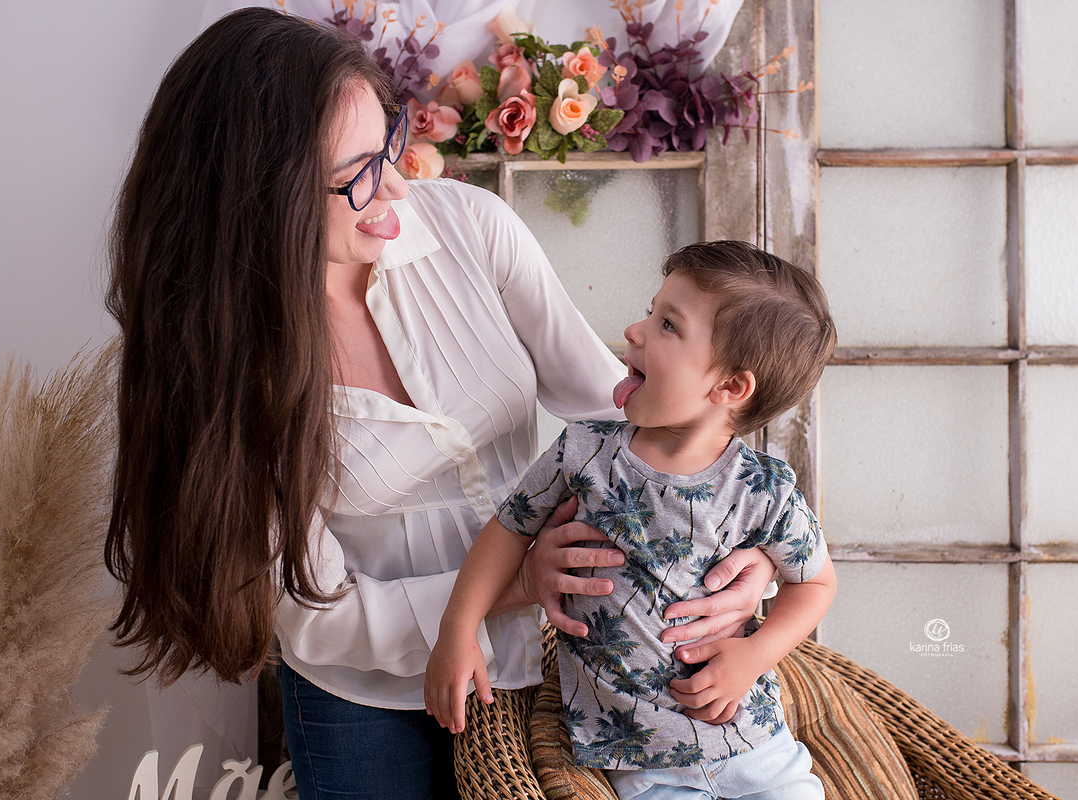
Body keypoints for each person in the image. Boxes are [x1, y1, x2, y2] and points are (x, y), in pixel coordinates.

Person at [104, 9, 774, 800]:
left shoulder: (471, 230)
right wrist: (515, 580)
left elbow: (636, 411)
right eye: (355, 172)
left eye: (388, 140)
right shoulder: (222, 370)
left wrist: (752, 548)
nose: (396, 183)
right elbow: (312, 615)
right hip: (365, 690)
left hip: (557, 651)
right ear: (256, 200)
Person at [426, 241, 839, 800]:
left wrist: (754, 655)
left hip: (757, 749)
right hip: (643, 767)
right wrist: (458, 627)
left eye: (668, 324)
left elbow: (815, 582)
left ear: (729, 388)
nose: (635, 330)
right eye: (652, 311)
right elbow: (508, 530)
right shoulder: (583, 453)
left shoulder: (763, 488)